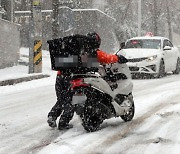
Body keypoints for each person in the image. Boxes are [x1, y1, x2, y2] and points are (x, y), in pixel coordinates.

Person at [47, 32, 126, 130]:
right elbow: (106, 58)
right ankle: (63, 122)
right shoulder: (92, 52)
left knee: (62, 99)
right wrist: (118, 58)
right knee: (73, 100)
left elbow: (89, 65)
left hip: (60, 76)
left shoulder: (74, 51)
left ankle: (52, 116)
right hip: (71, 78)